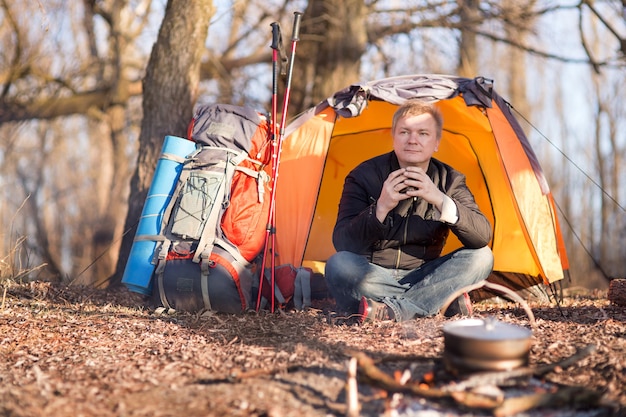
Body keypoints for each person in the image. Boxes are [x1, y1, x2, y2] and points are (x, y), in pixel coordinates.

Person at [324, 99, 494, 323]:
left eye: (423, 133)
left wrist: (439, 199)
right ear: (394, 136)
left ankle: (392, 309)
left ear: (436, 143)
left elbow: (482, 235)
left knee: (482, 257)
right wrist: (381, 207)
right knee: (339, 264)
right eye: (405, 132)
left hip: (426, 274)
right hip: (373, 273)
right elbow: (343, 242)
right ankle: (436, 301)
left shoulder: (450, 180)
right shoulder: (363, 176)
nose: (413, 140)